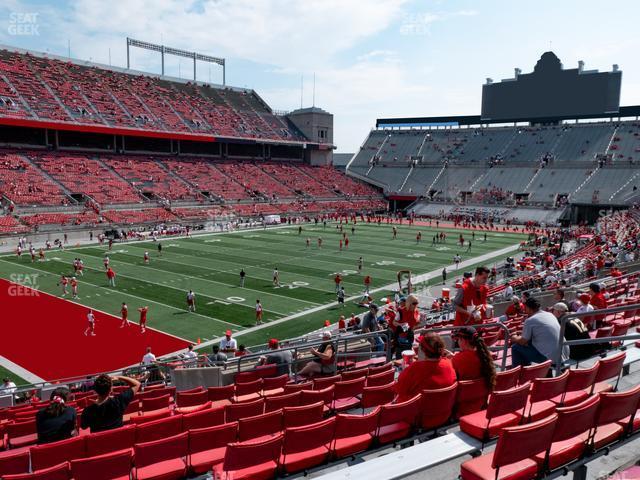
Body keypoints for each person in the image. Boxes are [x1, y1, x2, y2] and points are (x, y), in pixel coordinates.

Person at [394, 332, 457, 403]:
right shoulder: (449, 363)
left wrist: (405, 372)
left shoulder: (414, 368)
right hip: (445, 412)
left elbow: (399, 390)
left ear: (423, 350)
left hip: (416, 412)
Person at [510, 297, 569, 367]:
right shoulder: (550, 314)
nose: (524, 310)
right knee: (528, 343)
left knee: (515, 347)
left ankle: (520, 373)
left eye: (525, 308)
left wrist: (514, 337)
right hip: (565, 354)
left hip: (550, 359)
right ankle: (541, 371)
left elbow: (522, 341)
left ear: (528, 308)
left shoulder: (530, 320)